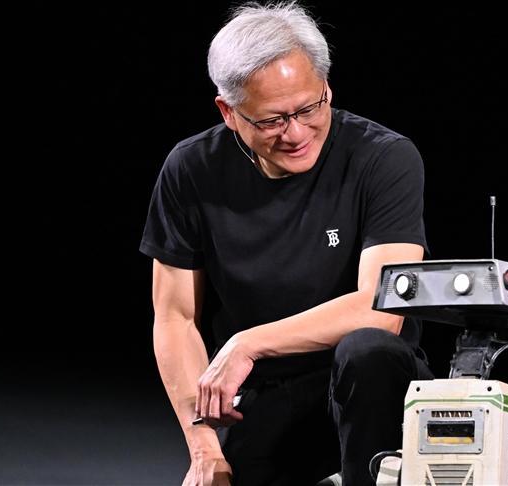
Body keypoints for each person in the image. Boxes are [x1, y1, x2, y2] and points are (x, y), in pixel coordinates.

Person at [140, 2, 433, 485]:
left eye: (309, 108)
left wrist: (248, 344)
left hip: (374, 392)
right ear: (229, 112)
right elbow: (175, 318)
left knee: (368, 350)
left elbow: (381, 309)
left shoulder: (384, 158)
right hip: (266, 395)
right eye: (272, 120)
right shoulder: (191, 170)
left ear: (326, 87)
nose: (296, 133)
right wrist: (203, 448)